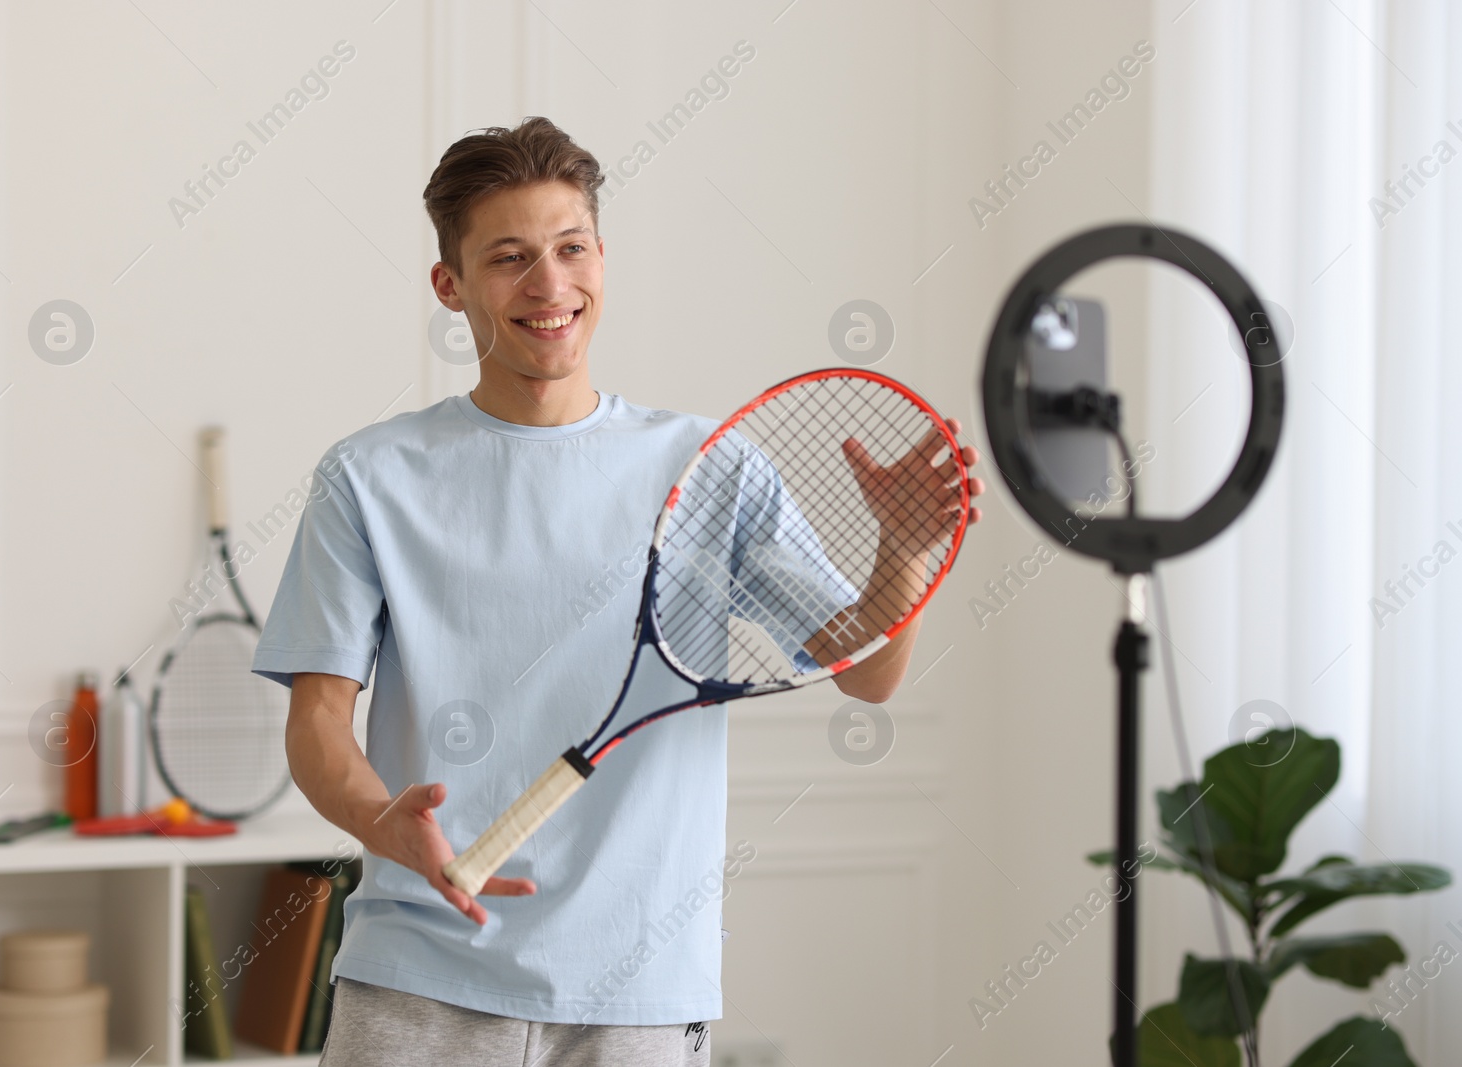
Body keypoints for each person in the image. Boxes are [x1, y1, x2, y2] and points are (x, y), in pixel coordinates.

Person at [253, 116, 984, 1067]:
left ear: (603, 256)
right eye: (510, 257)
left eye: (571, 248)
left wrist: (902, 551)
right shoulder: (368, 476)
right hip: (419, 976)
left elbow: (867, 671)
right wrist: (377, 818)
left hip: (639, 990)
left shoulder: (709, 466)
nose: (549, 285)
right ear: (451, 285)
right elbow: (317, 723)